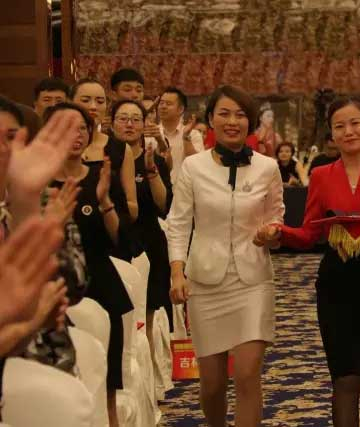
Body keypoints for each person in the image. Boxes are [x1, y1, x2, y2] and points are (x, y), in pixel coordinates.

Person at [256, 97, 360, 427]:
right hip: (337, 283)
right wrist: (279, 232)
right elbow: (309, 234)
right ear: (331, 134)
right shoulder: (322, 175)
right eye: (339, 126)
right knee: (345, 378)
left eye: (355, 123)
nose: (348, 131)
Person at [167, 85, 284, 427]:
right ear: (210, 119)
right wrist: (177, 273)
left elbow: (277, 218)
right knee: (213, 384)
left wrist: (271, 233)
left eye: (240, 115)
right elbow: (178, 224)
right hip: (205, 282)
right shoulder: (193, 167)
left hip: (253, 281)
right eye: (224, 114)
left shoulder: (267, 167)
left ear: (250, 122)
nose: (233, 121)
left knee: (247, 374)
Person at [46, 102, 133, 427]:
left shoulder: (101, 176)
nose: (77, 135)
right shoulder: (39, 185)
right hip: (57, 286)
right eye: (67, 128)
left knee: (107, 380)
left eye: (82, 128)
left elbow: (122, 242)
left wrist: (104, 200)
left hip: (102, 282)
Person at [110, 99, 173, 364]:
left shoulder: (154, 159)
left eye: (136, 119)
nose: (129, 124)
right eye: (123, 118)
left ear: (144, 125)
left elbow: (164, 205)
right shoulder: (104, 159)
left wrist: (151, 171)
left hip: (149, 242)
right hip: (116, 244)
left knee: (147, 314)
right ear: (111, 123)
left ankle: (149, 378)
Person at [71, 78, 138, 224]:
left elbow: (133, 209)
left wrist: (106, 205)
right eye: (86, 100)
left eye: (100, 101)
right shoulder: (58, 148)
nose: (93, 107)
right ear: (71, 103)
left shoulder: (120, 149)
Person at [157, 87, 204, 185]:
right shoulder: (151, 133)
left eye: (168, 104)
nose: (163, 106)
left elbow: (198, 164)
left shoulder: (193, 134)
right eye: (161, 103)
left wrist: (186, 137)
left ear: (181, 109)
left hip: (184, 188)